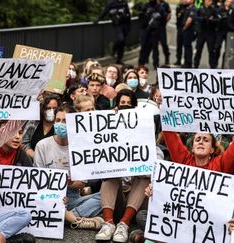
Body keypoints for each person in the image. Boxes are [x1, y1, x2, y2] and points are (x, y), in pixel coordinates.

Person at [34, 104, 104, 230]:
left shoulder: (80, 147)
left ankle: (67, 217)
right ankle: (78, 219)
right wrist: (55, 195)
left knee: (104, 196)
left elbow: (82, 184)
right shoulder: (42, 145)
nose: (60, 124)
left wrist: (70, 183)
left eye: (65, 121)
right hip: (49, 196)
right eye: (58, 120)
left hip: (72, 198)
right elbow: (39, 181)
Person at [95, 94, 148, 242]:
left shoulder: (145, 138)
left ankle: (124, 224)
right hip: (116, 199)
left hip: (137, 201)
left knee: (144, 177)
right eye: (122, 104)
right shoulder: (107, 139)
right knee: (108, 174)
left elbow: (155, 164)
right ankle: (108, 223)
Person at [162, 103, 234, 173]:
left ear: (212, 149)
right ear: (192, 147)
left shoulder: (220, 164)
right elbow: (171, 138)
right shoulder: (185, 161)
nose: (201, 142)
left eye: (206, 140)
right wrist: (164, 109)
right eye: (197, 139)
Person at [22, 93, 61, 159]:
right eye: (48, 108)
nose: (51, 111)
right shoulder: (33, 123)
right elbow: (24, 143)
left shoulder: (61, 125)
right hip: (34, 164)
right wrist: (35, 156)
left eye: (54, 108)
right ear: (42, 109)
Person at [95, 0, 131, 64]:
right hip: (117, 24)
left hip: (125, 24)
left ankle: (119, 59)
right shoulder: (112, 3)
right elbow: (105, 12)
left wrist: (125, 15)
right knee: (121, 39)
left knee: (122, 42)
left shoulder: (124, 3)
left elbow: (128, 14)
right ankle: (114, 48)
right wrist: (98, 19)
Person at [138, 0, 165, 69]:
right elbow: (140, 17)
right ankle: (141, 63)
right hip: (145, 29)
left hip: (155, 30)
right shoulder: (145, 6)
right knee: (143, 46)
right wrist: (146, 14)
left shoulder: (159, 7)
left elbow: (163, 20)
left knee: (155, 47)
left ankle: (155, 64)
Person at [193, 0, 218, 68]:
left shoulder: (213, 10)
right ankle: (196, 64)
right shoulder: (200, 9)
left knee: (211, 50)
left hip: (210, 32)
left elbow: (217, 19)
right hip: (201, 31)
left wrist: (212, 20)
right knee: (198, 49)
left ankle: (212, 66)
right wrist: (203, 19)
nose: (210, 2)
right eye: (208, 1)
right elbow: (195, 17)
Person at [182, 0, 197, 68]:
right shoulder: (188, 8)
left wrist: (184, 27)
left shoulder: (193, 8)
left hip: (189, 30)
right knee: (186, 46)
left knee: (188, 46)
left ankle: (188, 63)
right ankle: (186, 62)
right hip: (187, 30)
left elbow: (189, 20)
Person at [174, 0, 187, 66]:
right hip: (179, 27)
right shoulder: (179, 6)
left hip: (186, 28)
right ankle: (178, 59)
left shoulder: (189, 7)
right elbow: (177, 15)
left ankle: (186, 61)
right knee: (179, 45)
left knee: (186, 45)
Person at [159, 0, 171, 65]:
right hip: (153, 28)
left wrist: (166, 20)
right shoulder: (153, 3)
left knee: (164, 43)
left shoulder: (165, 4)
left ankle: (167, 58)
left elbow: (169, 13)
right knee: (150, 43)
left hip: (161, 27)